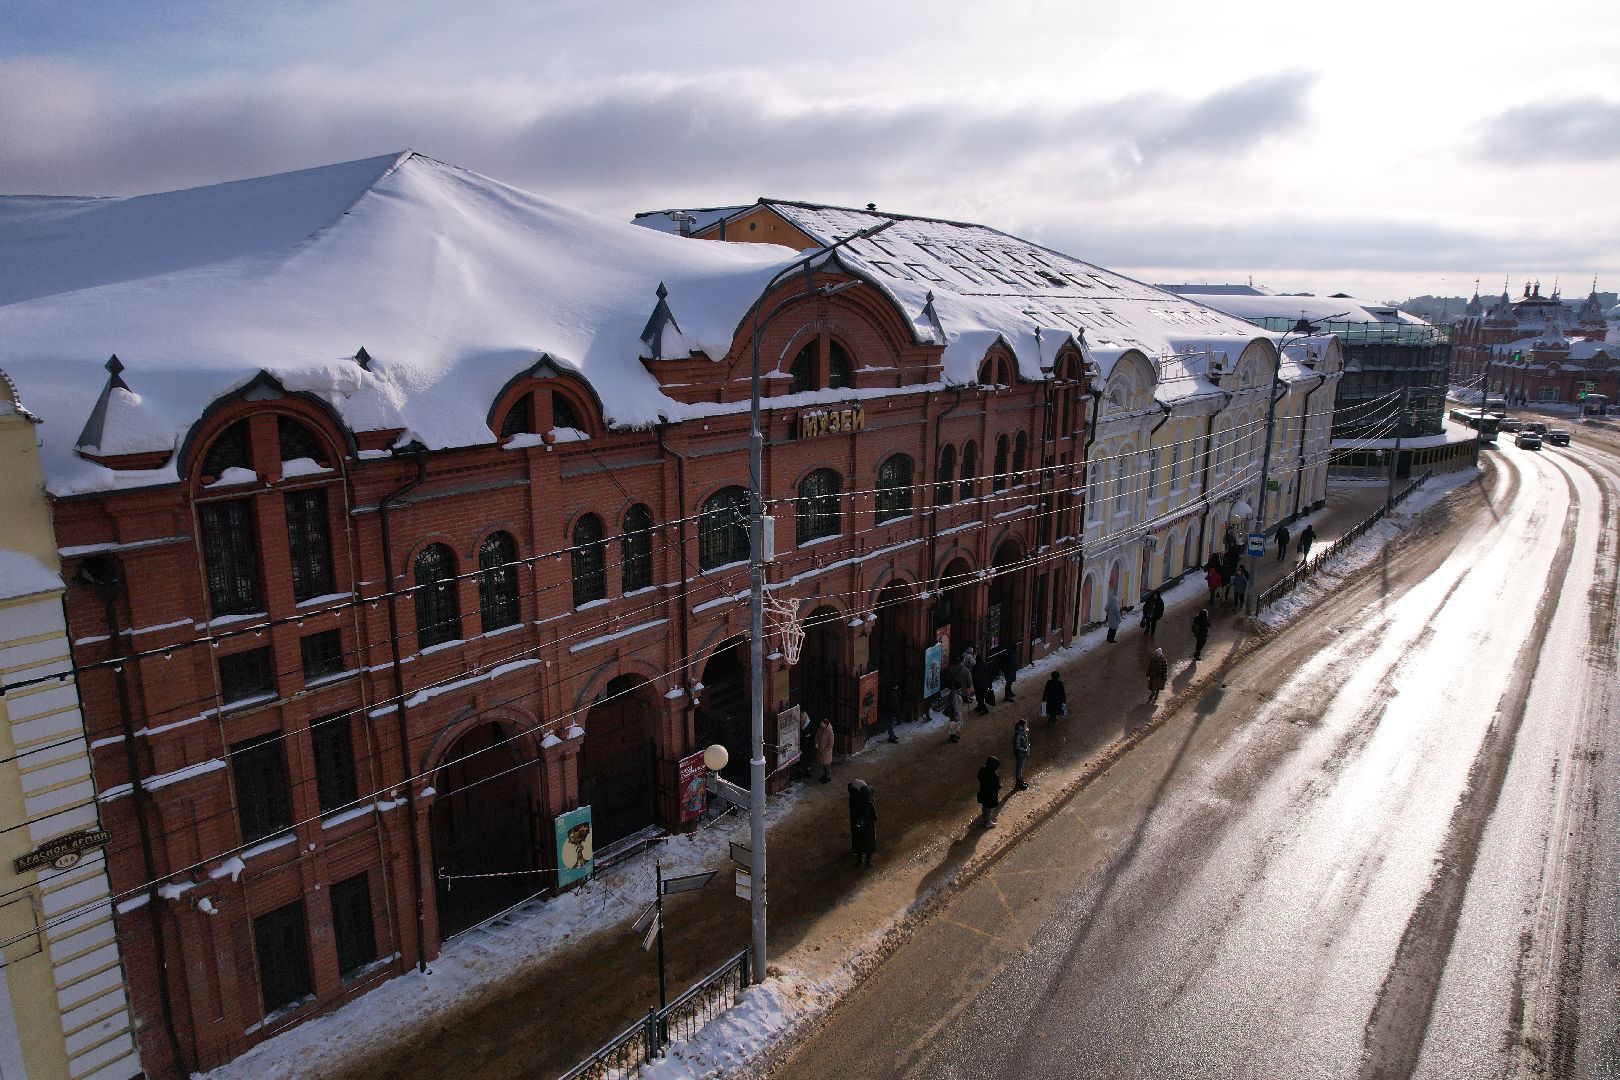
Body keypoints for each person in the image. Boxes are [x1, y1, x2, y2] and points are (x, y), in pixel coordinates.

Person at [848, 780, 877, 867]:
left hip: (858, 826)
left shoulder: (854, 801)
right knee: (869, 844)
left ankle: (859, 860)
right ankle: (868, 862)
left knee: (859, 842)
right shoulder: (870, 805)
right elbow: (874, 817)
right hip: (868, 827)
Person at [977, 756, 1002, 829]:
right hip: (991, 796)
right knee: (990, 809)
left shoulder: (982, 769)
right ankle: (987, 822)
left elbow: (978, 777)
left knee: (984, 807)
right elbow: (997, 786)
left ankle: (985, 820)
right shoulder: (993, 775)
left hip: (983, 793)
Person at [814, 716, 834, 783]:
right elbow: (816, 735)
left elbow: (831, 743)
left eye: (822, 723)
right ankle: (824, 775)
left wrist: (825, 750)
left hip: (826, 751)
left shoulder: (830, 732)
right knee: (823, 764)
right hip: (820, 749)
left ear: (825, 724)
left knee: (827, 765)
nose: (820, 724)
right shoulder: (820, 729)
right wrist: (816, 743)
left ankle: (828, 777)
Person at [1012, 719, 1031, 790]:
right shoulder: (1019, 735)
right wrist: (1025, 750)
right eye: (1025, 725)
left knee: (1021, 768)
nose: (1026, 726)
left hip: (1022, 754)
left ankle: (1020, 780)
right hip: (1020, 754)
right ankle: (1018, 782)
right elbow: (1017, 747)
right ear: (1022, 725)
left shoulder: (1022, 732)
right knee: (1019, 768)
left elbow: (1025, 741)